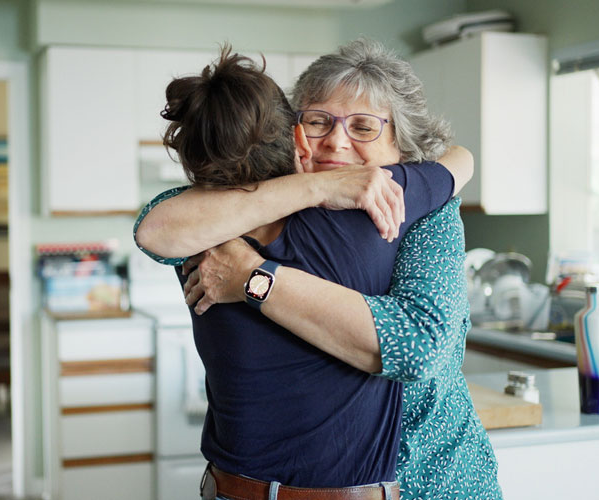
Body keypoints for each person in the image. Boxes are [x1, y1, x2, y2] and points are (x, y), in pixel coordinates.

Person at [135, 39, 502, 499]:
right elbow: (157, 228)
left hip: (429, 483)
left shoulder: (422, 210)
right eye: (318, 121)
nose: (336, 140)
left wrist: (253, 277)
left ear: (401, 145)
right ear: (292, 132)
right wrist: (319, 186)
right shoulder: (229, 209)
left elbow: (418, 348)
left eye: (364, 127)